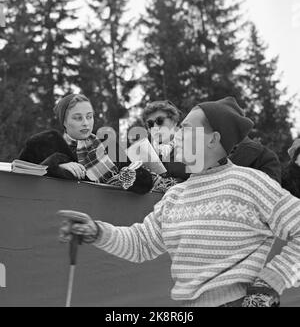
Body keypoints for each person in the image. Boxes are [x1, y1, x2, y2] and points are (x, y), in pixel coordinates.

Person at [59, 96, 300, 307]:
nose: (177, 135)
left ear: (213, 139)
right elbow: (140, 244)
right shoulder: (175, 196)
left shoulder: (249, 182)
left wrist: (268, 285)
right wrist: (97, 231)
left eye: (186, 128)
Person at [18, 94, 153, 195]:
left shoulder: (106, 144)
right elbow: (20, 180)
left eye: (89, 117)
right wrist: (56, 165)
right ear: (64, 122)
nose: (86, 123)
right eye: (78, 118)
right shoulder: (44, 144)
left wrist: (132, 175)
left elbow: (143, 185)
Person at [142, 100, 190, 190]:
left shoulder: (192, 145)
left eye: (160, 121)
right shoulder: (145, 152)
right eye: (150, 124)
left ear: (174, 121)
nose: (155, 127)